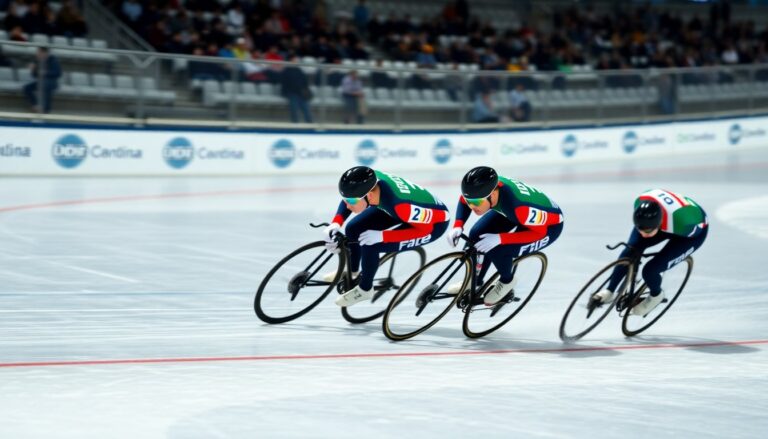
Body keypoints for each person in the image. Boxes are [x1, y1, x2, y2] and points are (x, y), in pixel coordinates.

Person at [323, 166, 450, 307]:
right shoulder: (368, 182)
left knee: (370, 244)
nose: (346, 205)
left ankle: (365, 289)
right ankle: (352, 272)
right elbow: (350, 196)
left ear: (369, 196)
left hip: (432, 225)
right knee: (353, 229)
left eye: (351, 202)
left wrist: (383, 236)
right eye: (345, 200)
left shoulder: (400, 206)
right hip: (399, 209)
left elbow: (423, 231)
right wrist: (336, 223)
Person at [446, 166, 564, 306]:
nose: (472, 206)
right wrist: (458, 225)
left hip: (547, 227)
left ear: (493, 195)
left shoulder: (519, 207)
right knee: (476, 234)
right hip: (514, 214)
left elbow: (539, 233)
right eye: (469, 202)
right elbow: (463, 201)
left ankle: (507, 281)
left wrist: (501, 238)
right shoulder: (483, 191)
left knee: (499, 249)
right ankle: (475, 281)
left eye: (477, 203)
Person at [592, 189, 708, 316]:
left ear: (659, 224)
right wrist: (646, 232)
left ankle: (656, 296)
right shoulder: (640, 203)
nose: (642, 234)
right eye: (639, 228)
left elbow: (688, 234)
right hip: (666, 219)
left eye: (646, 230)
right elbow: (643, 231)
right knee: (631, 249)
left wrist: (664, 258)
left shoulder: (684, 225)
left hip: (691, 233)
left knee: (651, 269)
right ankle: (610, 291)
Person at [23, 46, 61, 114]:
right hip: (41, 82)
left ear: (44, 53)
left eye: (39, 52)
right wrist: (33, 70)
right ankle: (36, 105)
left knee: (46, 85)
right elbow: (35, 76)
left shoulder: (53, 60)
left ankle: (46, 110)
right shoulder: (37, 61)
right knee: (27, 88)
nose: (37, 54)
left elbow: (57, 73)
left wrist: (44, 73)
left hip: (52, 82)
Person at [280, 53, 313, 123]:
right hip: (292, 93)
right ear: (291, 60)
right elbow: (285, 83)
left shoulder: (299, 70)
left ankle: (310, 125)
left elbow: (305, 82)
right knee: (294, 110)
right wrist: (285, 93)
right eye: (295, 59)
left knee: (306, 110)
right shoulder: (286, 71)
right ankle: (295, 125)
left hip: (301, 94)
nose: (297, 60)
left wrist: (306, 90)